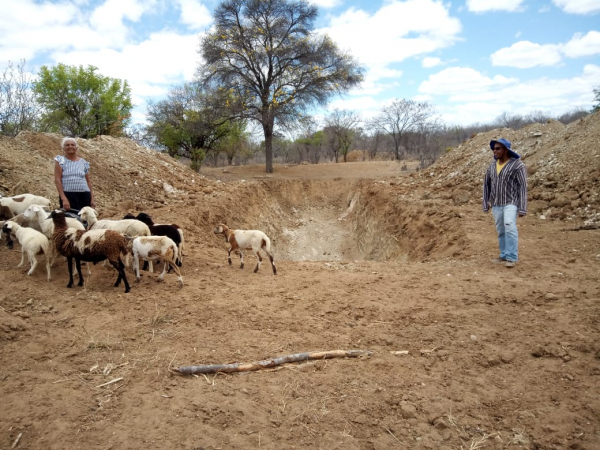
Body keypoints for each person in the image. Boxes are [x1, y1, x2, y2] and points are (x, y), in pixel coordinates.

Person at [482, 138, 527, 268]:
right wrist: (486, 203)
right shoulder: (492, 166)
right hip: (496, 203)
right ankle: (504, 255)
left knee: (509, 225)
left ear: (506, 149)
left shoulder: (517, 165)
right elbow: (486, 185)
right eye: (493, 149)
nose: (494, 151)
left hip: (510, 202)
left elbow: (522, 186)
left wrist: (522, 207)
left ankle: (512, 257)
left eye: (497, 148)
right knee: (501, 229)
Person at [54, 137, 96, 212]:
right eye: (67, 145)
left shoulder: (83, 162)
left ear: (76, 148)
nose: (70, 146)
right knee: (70, 219)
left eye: (72, 145)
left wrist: (92, 198)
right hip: (69, 195)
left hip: (85, 195)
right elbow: (57, 181)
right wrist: (64, 198)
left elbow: (88, 181)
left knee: (85, 220)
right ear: (63, 148)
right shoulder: (60, 161)